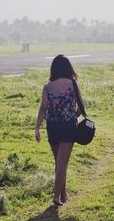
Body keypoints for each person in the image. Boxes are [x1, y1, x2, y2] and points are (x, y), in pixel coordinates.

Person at [35, 54, 85, 206]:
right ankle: (56, 196)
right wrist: (72, 116)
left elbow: (43, 108)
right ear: (68, 68)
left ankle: (63, 194)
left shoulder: (47, 87)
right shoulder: (73, 84)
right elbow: (81, 107)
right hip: (68, 126)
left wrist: (37, 128)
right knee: (62, 163)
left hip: (52, 126)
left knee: (58, 162)